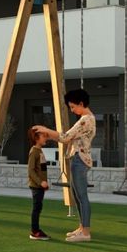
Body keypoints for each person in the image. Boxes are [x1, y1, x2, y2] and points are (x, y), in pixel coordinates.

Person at [34, 89, 95, 243]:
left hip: (80, 160)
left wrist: (47, 130)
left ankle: (86, 232)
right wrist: (51, 134)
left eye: (73, 107)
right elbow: (66, 137)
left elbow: (65, 137)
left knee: (82, 197)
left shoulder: (85, 120)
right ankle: (82, 228)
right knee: (77, 196)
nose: (72, 110)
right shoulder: (86, 119)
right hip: (78, 159)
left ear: (81, 103)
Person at [27, 127, 51, 240]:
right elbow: (30, 170)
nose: (45, 137)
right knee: (36, 208)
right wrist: (40, 182)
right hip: (36, 186)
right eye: (42, 136)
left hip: (40, 186)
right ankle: (34, 231)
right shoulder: (34, 152)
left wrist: (44, 183)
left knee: (38, 207)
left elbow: (42, 169)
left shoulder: (39, 150)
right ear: (36, 138)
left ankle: (36, 230)